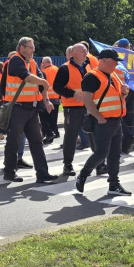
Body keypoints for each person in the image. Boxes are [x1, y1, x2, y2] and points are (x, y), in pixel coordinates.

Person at [1, 37, 59, 183]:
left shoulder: (32, 62)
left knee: (37, 141)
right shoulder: (14, 60)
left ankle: (42, 173)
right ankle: (9, 172)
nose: (33, 50)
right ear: (22, 48)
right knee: (13, 142)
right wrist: (43, 81)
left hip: (31, 109)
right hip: (17, 108)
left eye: (33, 47)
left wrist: (46, 101)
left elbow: (41, 84)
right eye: (30, 47)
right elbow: (28, 78)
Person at [74, 49, 131, 197]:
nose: (116, 65)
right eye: (114, 62)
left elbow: (115, 96)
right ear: (104, 60)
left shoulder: (113, 75)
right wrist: (99, 117)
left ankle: (114, 184)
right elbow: (87, 99)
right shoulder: (92, 77)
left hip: (116, 120)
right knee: (101, 153)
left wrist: (124, 92)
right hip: (103, 122)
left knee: (115, 154)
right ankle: (83, 175)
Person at [53, 43, 90, 176]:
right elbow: (57, 87)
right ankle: (67, 165)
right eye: (83, 51)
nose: (86, 53)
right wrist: (72, 94)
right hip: (72, 108)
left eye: (86, 51)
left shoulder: (88, 66)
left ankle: (100, 164)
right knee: (71, 137)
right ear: (74, 54)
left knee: (94, 135)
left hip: (88, 107)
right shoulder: (64, 68)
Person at [39, 56, 61, 144]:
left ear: (43, 64)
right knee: (54, 117)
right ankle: (56, 132)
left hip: (47, 98)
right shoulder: (57, 69)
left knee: (45, 117)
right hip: (56, 97)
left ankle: (49, 134)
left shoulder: (43, 72)